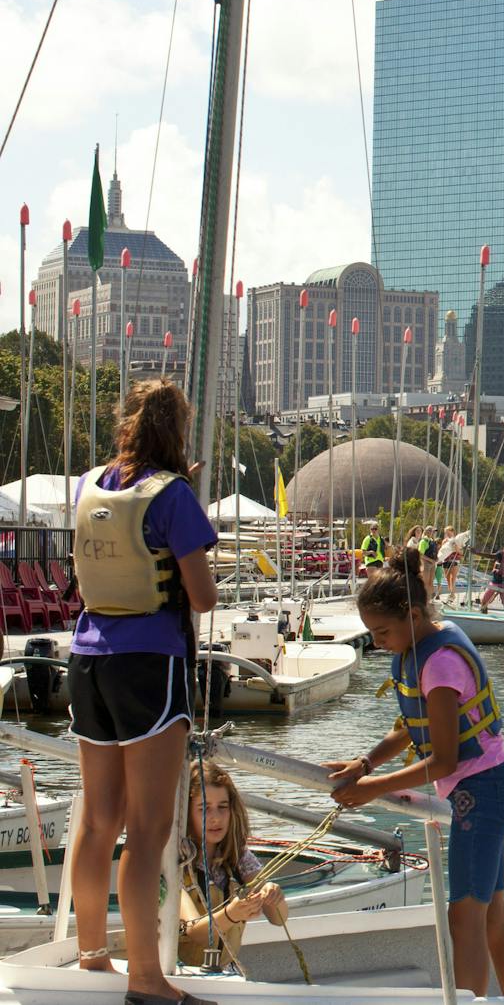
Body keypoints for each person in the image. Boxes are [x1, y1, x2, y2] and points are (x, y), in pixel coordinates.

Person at [67, 379, 219, 1005]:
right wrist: (183, 489)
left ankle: (92, 956)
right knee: (148, 829)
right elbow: (204, 596)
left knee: (98, 819)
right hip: (149, 664)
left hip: (87, 657)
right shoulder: (174, 495)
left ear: (127, 423)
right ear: (177, 431)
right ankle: (147, 980)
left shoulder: (89, 485)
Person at [326, 550, 504, 997]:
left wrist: (371, 789)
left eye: (382, 632)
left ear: (414, 616)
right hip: (487, 789)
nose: (378, 643)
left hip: (483, 792)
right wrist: (364, 764)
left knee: (465, 919)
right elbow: (409, 726)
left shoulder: (439, 664)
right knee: (491, 916)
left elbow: (444, 761)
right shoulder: (419, 649)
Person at [179, 760, 287, 969]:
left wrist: (273, 895)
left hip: (225, 972)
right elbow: (196, 932)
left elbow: (279, 919)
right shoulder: (174, 863)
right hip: (179, 973)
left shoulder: (238, 857)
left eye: (222, 807)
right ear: (185, 813)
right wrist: (232, 914)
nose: (215, 818)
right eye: (204, 809)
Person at [478, 539, 504, 617]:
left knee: (484, 601)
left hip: (495, 583)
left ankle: (483, 616)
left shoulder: (501, 553)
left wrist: (476, 552)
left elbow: (490, 556)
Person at [437, 526, 462, 601]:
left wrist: (455, 547)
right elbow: (442, 551)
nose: (447, 534)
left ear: (452, 531)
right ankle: (451, 594)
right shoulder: (444, 541)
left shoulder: (457, 540)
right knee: (447, 579)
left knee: (452, 578)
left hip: (454, 560)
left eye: (448, 532)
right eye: (445, 532)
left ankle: (452, 595)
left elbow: (460, 552)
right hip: (445, 561)